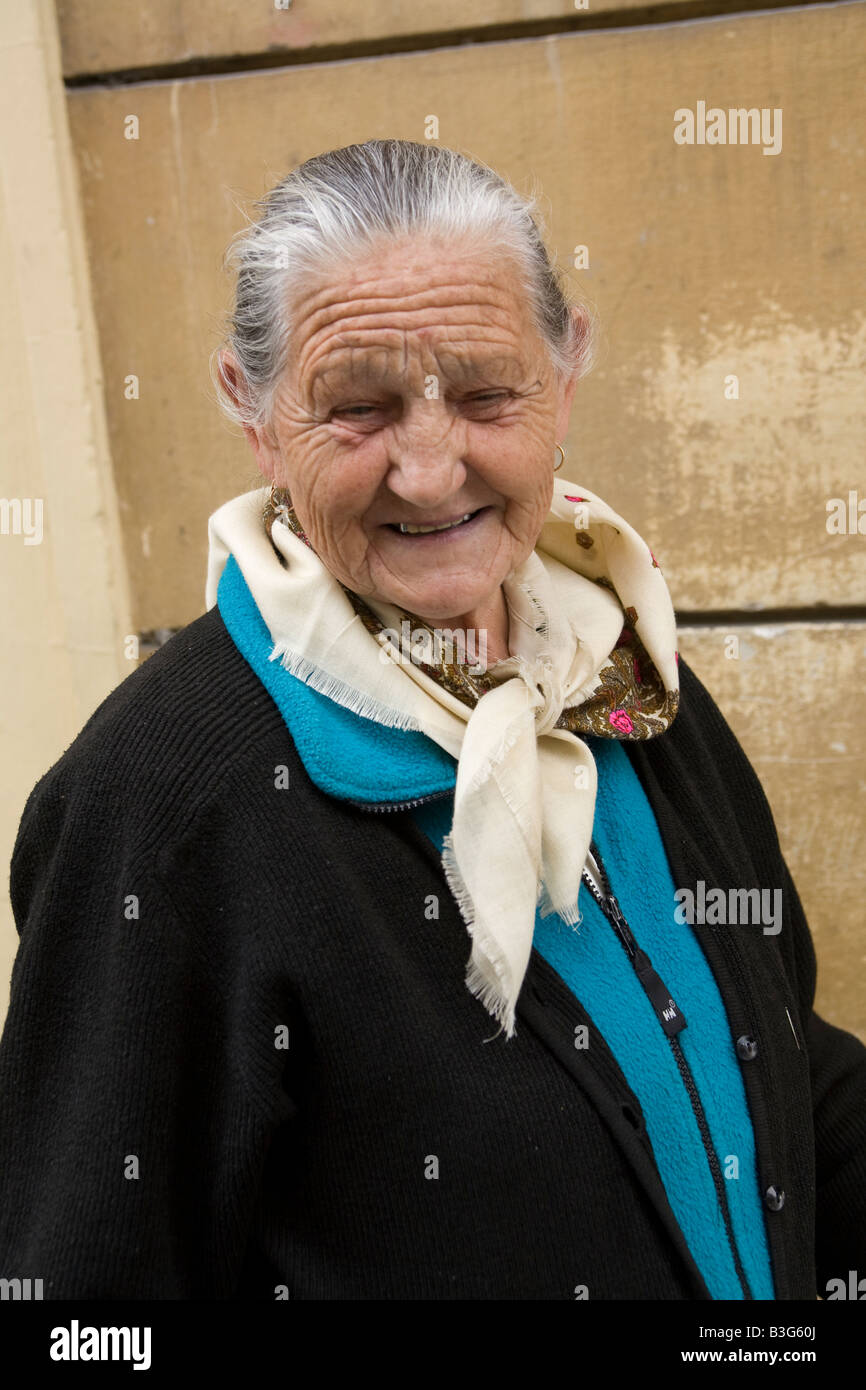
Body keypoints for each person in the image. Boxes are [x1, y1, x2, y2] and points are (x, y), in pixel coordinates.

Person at [0, 138, 863, 1301]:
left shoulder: (621, 673)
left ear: (566, 371)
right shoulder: (166, 804)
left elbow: (762, 1070)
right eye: (355, 408)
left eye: (483, 393)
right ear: (253, 417)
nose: (426, 468)